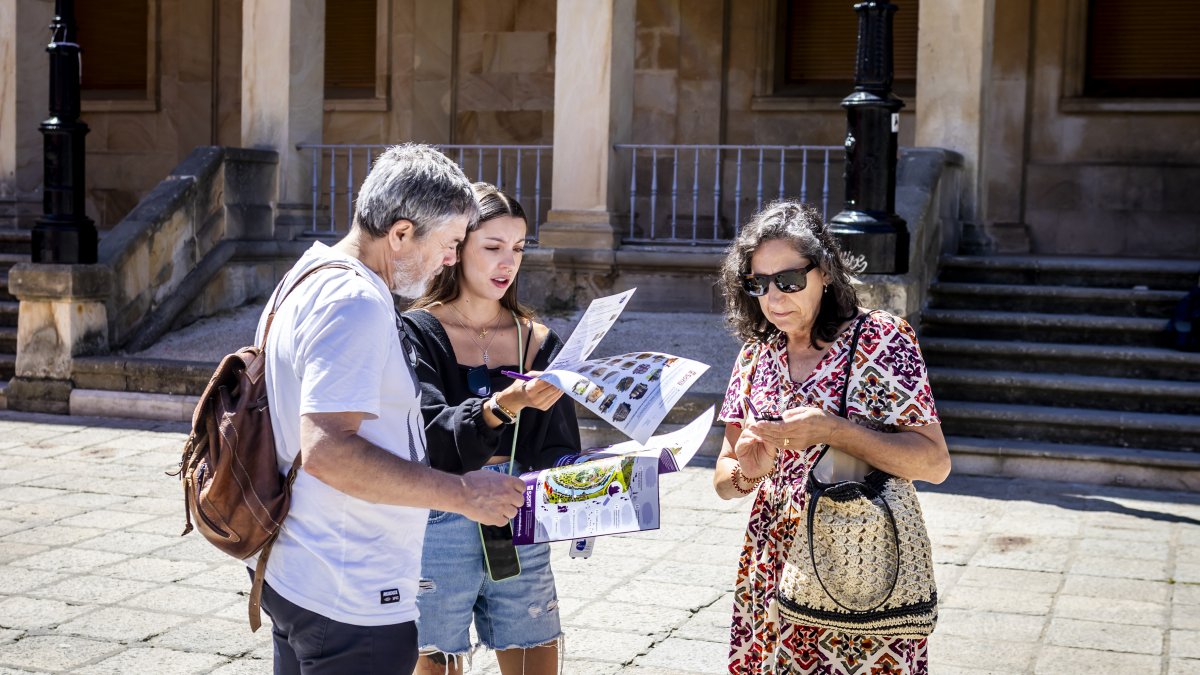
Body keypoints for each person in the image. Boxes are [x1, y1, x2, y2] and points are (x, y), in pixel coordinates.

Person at [254, 144, 526, 675]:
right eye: (450, 243)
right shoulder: (355, 303)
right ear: (401, 233)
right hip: (348, 590)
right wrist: (464, 494)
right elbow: (329, 451)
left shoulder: (308, 272)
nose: (452, 259)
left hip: (298, 570)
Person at [711, 200, 951, 674]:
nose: (773, 298)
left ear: (823, 272)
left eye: (788, 280)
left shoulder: (881, 340)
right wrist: (748, 474)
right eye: (758, 283)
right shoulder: (756, 354)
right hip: (773, 562)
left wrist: (834, 430)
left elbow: (934, 463)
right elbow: (723, 477)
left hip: (858, 560)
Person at [401, 183, 580, 675]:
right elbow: (431, 439)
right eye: (493, 247)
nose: (508, 263)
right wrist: (504, 404)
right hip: (441, 515)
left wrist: (598, 475)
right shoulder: (416, 332)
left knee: (534, 662)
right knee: (435, 664)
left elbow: (557, 448)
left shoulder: (537, 339)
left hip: (518, 516)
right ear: (457, 249)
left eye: (518, 248)